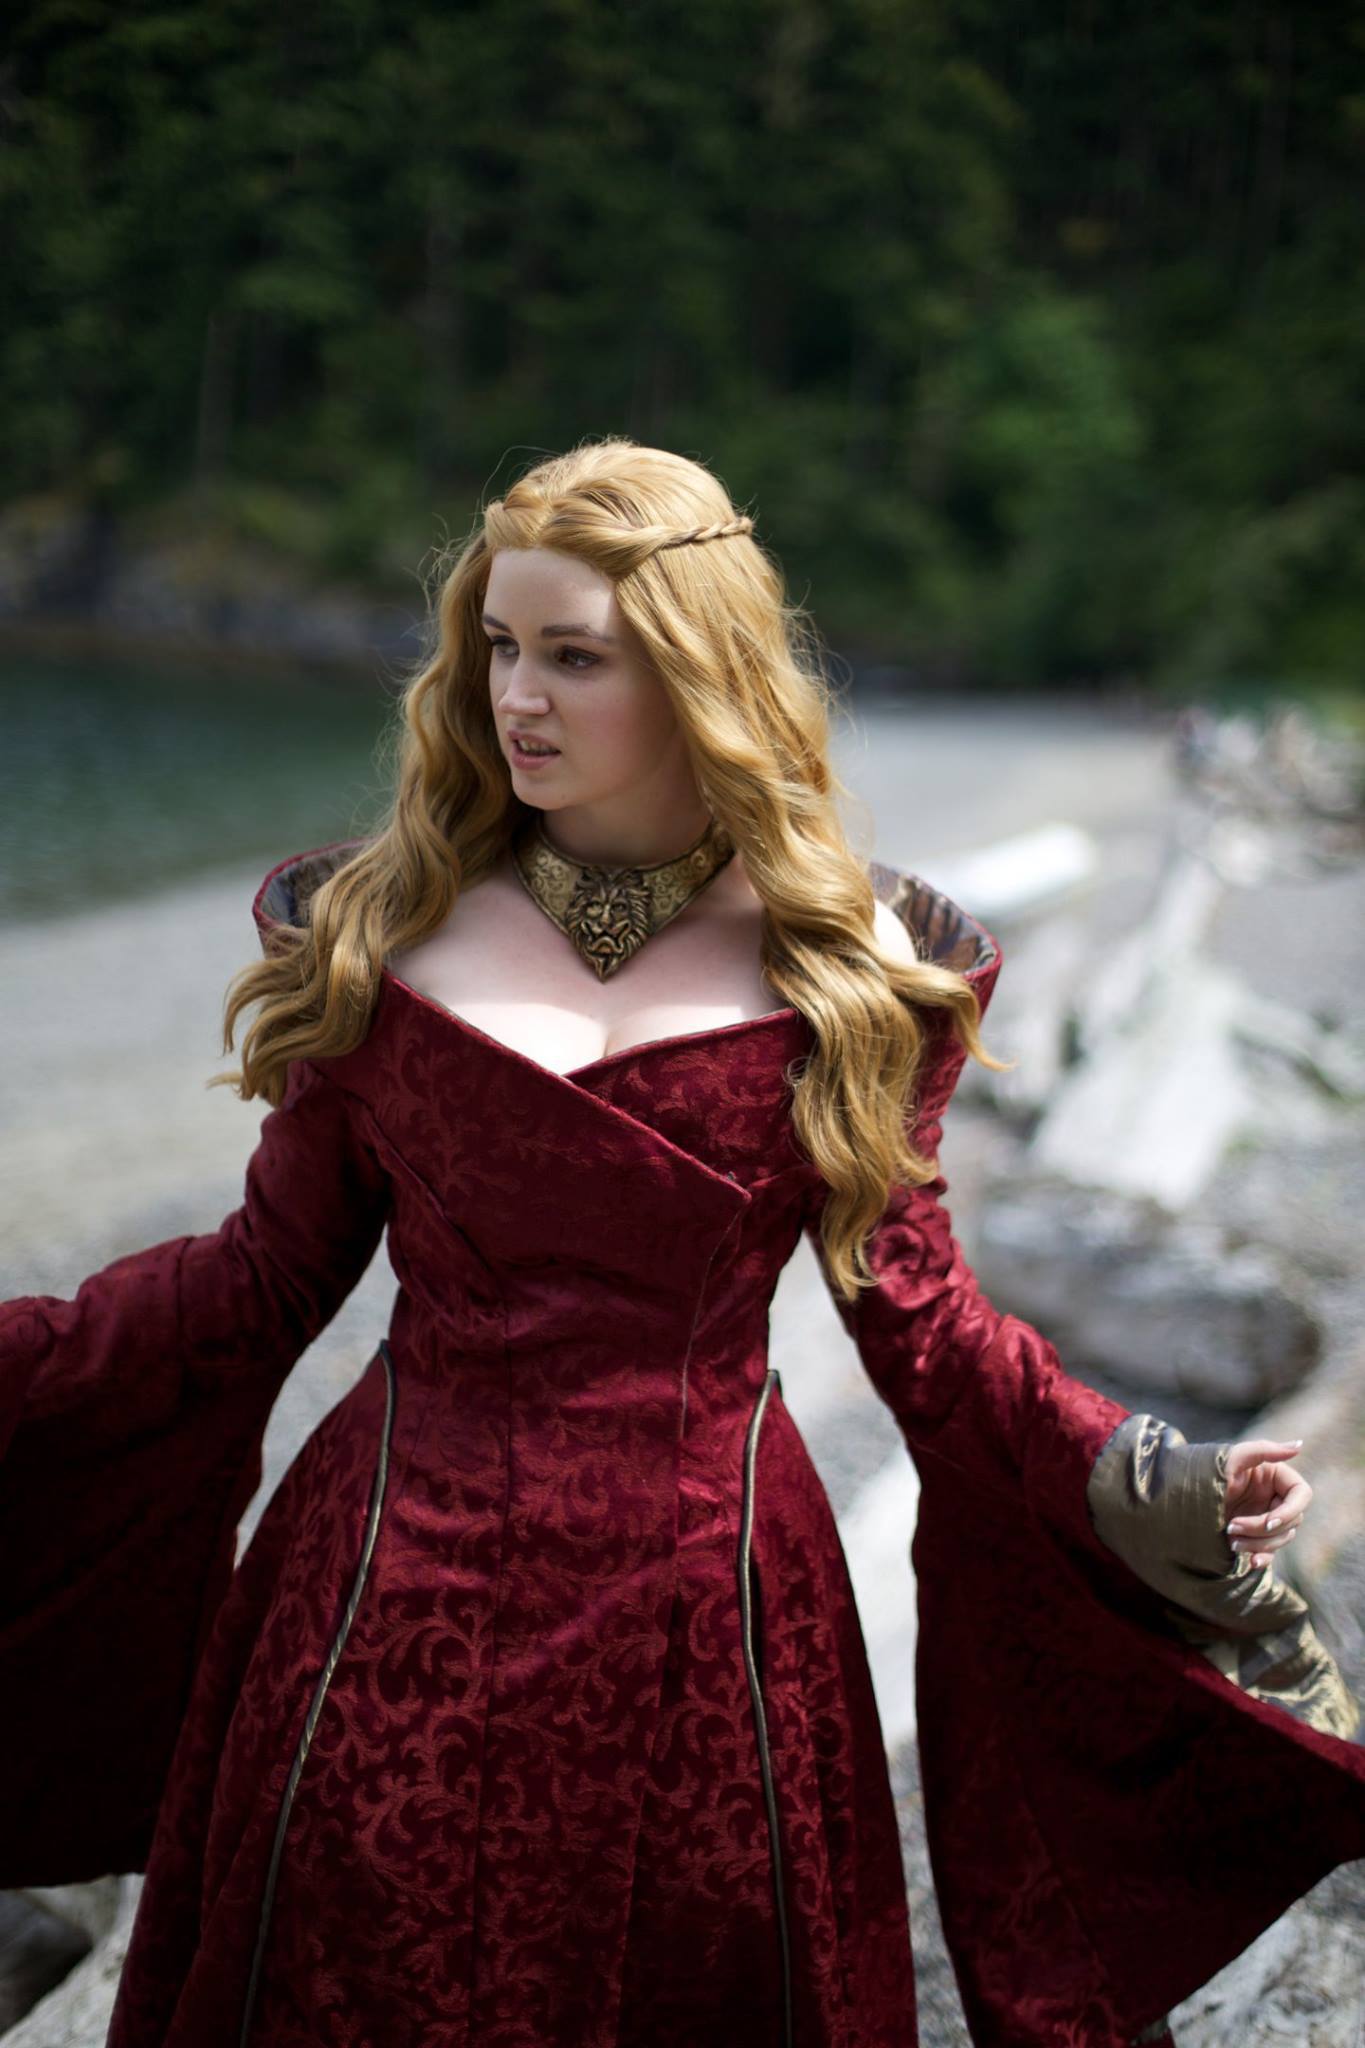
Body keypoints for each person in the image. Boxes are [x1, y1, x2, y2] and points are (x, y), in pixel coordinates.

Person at [2, 437, 1362, 2048]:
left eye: (573, 657)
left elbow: (924, 1329)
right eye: (498, 646)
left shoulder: (851, 973)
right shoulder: (373, 933)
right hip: (377, 1611)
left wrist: (1152, 1479)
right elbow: (259, 1282)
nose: (517, 697)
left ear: (696, 672)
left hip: (715, 1636)